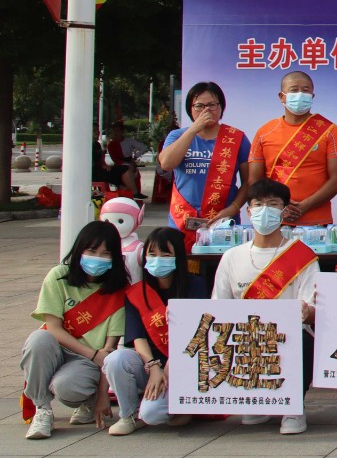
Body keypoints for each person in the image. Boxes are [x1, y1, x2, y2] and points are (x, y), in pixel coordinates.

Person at [212, 179, 319, 434]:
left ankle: (294, 406)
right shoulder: (232, 257)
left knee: (303, 341)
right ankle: (255, 398)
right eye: (258, 204)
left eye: (272, 204)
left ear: (285, 211)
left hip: (288, 335)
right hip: (245, 336)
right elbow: (218, 307)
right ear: (249, 212)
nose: (264, 210)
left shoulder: (302, 256)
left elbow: (314, 307)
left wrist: (307, 312)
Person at [22, 221, 129, 439]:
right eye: (92, 251)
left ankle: (87, 401)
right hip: (57, 348)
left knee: (66, 387)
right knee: (38, 339)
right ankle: (43, 410)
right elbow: (53, 329)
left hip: (86, 362)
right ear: (79, 250)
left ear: (115, 258)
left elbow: (107, 353)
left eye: (105, 253)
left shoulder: (117, 291)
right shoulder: (58, 276)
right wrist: (93, 353)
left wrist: (102, 395)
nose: (97, 258)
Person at [103, 227, 209, 435]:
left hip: (186, 364)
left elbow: (196, 333)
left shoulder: (196, 285)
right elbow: (137, 337)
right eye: (152, 254)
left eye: (166, 254)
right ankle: (129, 415)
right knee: (116, 359)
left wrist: (168, 369)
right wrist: (153, 367)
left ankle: (184, 406)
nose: (158, 259)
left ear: (178, 257)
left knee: (152, 415)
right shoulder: (137, 291)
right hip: (151, 364)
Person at [245, 70, 337, 226]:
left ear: (312, 96)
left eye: (305, 90)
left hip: (317, 222)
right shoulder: (265, 132)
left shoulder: (330, 131)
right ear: (281, 96)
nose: (300, 95)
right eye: (294, 90)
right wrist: (279, 206)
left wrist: (305, 206)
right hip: (274, 218)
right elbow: (254, 180)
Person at [159, 81, 250, 241]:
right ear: (190, 109)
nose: (206, 110)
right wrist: (194, 129)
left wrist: (233, 208)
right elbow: (166, 164)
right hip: (182, 220)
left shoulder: (237, 138)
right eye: (199, 106)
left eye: (212, 105)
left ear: (221, 107)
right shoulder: (177, 136)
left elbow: (249, 181)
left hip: (223, 221)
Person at [106, 121, 144, 197]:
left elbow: (143, 148)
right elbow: (115, 160)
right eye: (114, 131)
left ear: (122, 131)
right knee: (126, 171)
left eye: (118, 130)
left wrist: (135, 157)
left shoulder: (129, 141)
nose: (116, 133)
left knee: (134, 172)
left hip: (130, 163)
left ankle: (134, 193)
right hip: (120, 166)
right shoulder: (111, 145)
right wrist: (128, 165)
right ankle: (133, 193)